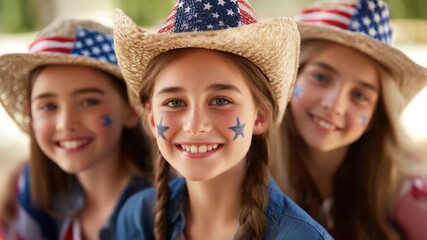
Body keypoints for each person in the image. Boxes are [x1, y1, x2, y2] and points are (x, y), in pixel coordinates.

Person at [113, 0, 333, 239]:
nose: (195, 126)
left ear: (260, 116)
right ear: (152, 118)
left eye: (220, 101)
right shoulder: (137, 217)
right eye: (175, 103)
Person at [268, 0, 427, 239]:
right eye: (321, 77)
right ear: (290, 78)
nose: (335, 106)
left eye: (360, 95)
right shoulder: (241, 169)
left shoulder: (403, 192)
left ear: (375, 116)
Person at [0, 19, 153, 240]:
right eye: (48, 106)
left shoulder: (165, 207)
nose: (66, 123)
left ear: (131, 110)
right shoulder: (28, 191)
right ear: (31, 115)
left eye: (89, 102)